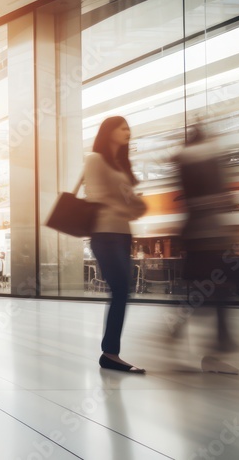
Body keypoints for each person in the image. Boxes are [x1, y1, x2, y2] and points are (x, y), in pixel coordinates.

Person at [84, 116, 147, 372]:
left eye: (129, 127)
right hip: (104, 234)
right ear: (109, 131)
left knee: (122, 291)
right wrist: (126, 204)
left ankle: (110, 353)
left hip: (122, 234)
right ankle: (109, 354)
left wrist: (135, 205)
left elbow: (133, 209)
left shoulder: (122, 166)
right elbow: (97, 197)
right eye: (123, 127)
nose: (128, 132)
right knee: (120, 290)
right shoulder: (94, 159)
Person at [174, 124, 239, 368]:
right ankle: (221, 339)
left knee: (205, 289)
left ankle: (216, 337)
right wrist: (223, 200)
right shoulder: (207, 161)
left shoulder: (185, 163)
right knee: (218, 288)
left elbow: (190, 202)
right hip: (211, 237)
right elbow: (215, 198)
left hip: (198, 237)